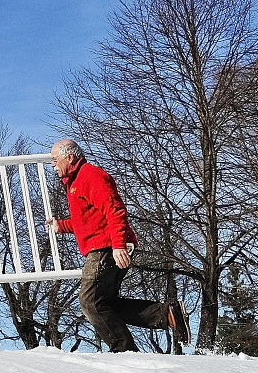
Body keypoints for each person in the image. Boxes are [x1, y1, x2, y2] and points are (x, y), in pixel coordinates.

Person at [47, 139, 191, 352]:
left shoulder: (91, 176)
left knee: (90, 301)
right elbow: (87, 220)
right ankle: (167, 313)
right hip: (104, 245)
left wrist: (119, 245)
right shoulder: (75, 182)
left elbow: (114, 210)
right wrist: (62, 225)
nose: (53, 164)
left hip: (106, 247)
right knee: (106, 304)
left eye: (54, 159)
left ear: (70, 157)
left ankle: (123, 351)